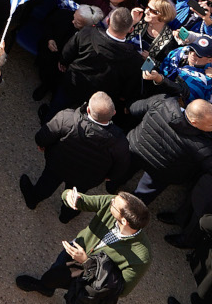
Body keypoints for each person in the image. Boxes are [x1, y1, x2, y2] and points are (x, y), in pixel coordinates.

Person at [13, 189, 152, 304]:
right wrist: (71, 198)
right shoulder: (114, 202)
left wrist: (86, 262)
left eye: (114, 204)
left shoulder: (141, 256)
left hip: (92, 283)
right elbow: (81, 200)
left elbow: (122, 289)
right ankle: (45, 287)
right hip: (74, 254)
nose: (111, 201)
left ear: (124, 221)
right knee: (53, 275)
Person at [22, 92, 133, 221]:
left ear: (88, 109)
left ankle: (33, 199)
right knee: (76, 196)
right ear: (114, 113)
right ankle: (66, 216)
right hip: (87, 178)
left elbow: (43, 136)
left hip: (57, 165)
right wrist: (109, 176)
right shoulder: (120, 143)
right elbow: (121, 168)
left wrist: (42, 144)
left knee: (46, 184)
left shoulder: (67, 118)